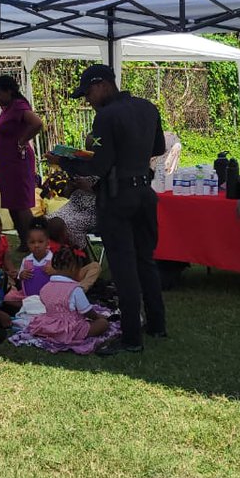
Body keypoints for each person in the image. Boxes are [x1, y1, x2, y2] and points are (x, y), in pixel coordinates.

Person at [53, 64, 166, 356]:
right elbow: (159, 146)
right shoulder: (147, 107)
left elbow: (99, 165)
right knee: (146, 261)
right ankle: (157, 324)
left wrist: (64, 159)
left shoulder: (106, 116)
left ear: (102, 84)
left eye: (88, 93)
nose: (88, 100)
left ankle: (131, 338)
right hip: (144, 193)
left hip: (118, 198)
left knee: (123, 269)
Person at [0, 74, 44, 249]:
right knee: (11, 202)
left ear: (9, 91)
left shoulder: (19, 106)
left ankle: (33, 241)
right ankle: (23, 241)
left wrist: (22, 141)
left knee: (20, 203)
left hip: (18, 161)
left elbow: (37, 123)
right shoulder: (8, 108)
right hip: (7, 162)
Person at [27, 245, 110, 345]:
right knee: (103, 324)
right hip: (71, 329)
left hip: (49, 325)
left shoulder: (46, 287)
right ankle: (64, 336)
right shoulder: (75, 290)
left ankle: (52, 334)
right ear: (73, 268)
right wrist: (97, 317)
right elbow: (87, 311)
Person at [45, 216, 101, 292]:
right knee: (95, 266)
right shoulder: (62, 249)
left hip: (57, 280)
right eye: (65, 229)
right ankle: (81, 289)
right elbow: (80, 257)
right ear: (62, 233)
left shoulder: (45, 246)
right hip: (68, 276)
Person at [14, 221, 53, 300]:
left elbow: (63, 276)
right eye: (32, 242)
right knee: (9, 298)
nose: (36, 245)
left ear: (47, 243)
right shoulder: (26, 260)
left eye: (40, 242)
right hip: (30, 295)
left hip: (51, 296)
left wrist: (54, 271)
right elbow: (20, 277)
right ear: (27, 244)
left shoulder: (53, 259)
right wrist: (22, 275)